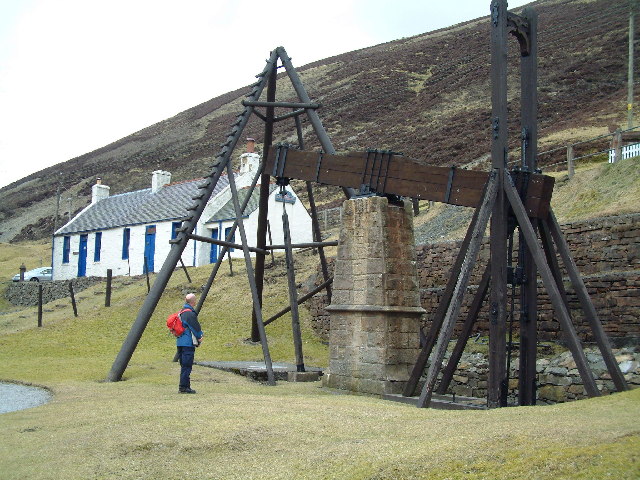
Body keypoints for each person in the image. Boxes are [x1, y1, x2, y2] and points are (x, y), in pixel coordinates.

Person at [177, 293, 204, 394]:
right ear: (193, 302)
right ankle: (184, 387)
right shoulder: (189, 313)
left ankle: (184, 386)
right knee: (187, 366)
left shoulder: (181, 312)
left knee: (184, 365)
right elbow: (195, 327)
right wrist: (200, 337)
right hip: (187, 343)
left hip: (180, 342)